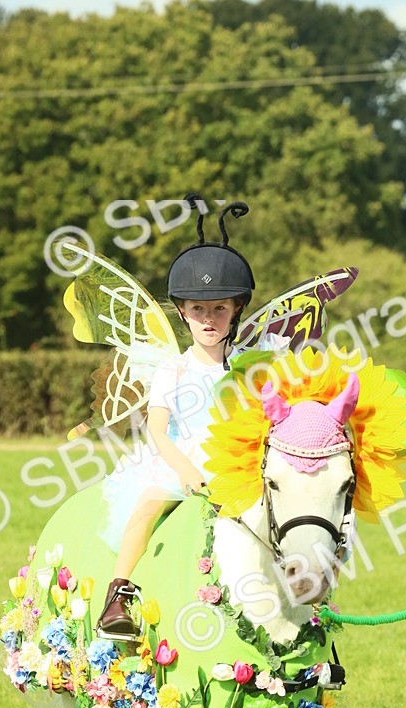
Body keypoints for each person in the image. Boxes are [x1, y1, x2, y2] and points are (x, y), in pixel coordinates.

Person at [96, 203, 256, 641]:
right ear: (183, 312)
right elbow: (157, 431)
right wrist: (185, 471)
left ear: (236, 310)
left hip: (235, 467)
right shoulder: (174, 369)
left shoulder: (247, 368)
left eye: (220, 309)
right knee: (147, 502)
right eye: (199, 310)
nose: (209, 319)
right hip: (178, 462)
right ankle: (118, 597)